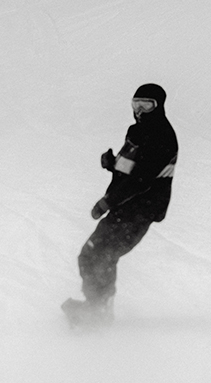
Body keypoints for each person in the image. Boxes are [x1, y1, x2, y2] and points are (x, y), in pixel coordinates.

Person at [63, 83, 179, 327]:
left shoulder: (163, 136)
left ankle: (99, 313)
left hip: (140, 210)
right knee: (93, 254)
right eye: (136, 104)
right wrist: (112, 163)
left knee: (101, 255)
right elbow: (132, 169)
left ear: (159, 106)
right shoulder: (137, 132)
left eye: (147, 105)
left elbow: (142, 180)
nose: (140, 110)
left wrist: (107, 202)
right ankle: (96, 307)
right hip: (124, 207)